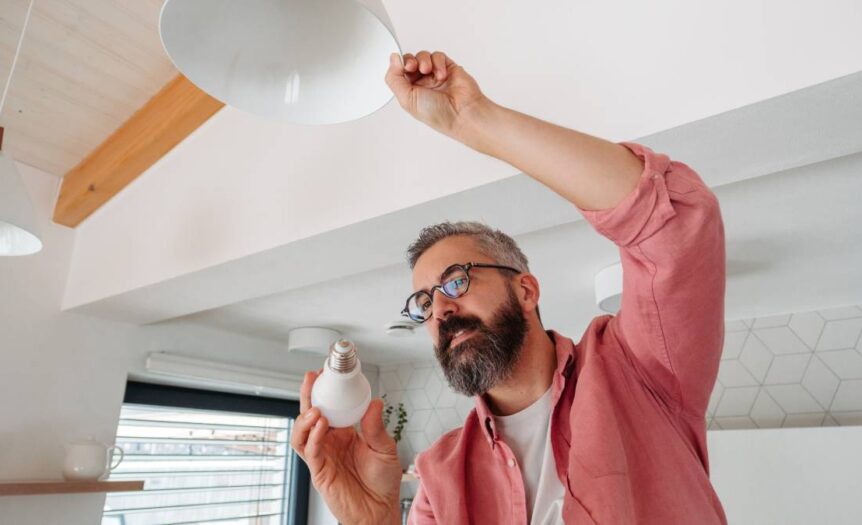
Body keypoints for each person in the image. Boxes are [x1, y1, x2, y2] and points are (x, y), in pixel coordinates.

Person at [290, 51, 727, 525]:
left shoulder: (641, 373)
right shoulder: (439, 477)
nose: (440, 309)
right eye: (425, 301)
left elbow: (676, 223)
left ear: (526, 291)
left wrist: (474, 120)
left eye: (455, 280)